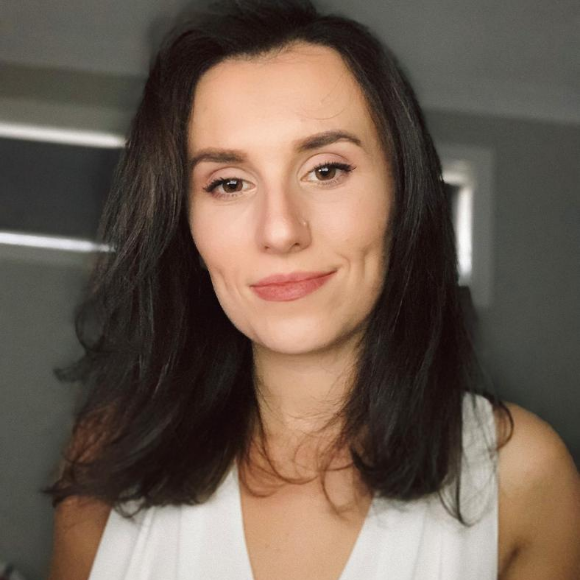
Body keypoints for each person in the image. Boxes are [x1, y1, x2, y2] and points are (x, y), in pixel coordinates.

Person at [45, 1, 579, 579]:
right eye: (228, 183)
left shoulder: (521, 476)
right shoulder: (106, 457)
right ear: (185, 225)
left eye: (326, 170)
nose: (280, 230)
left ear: (402, 195)